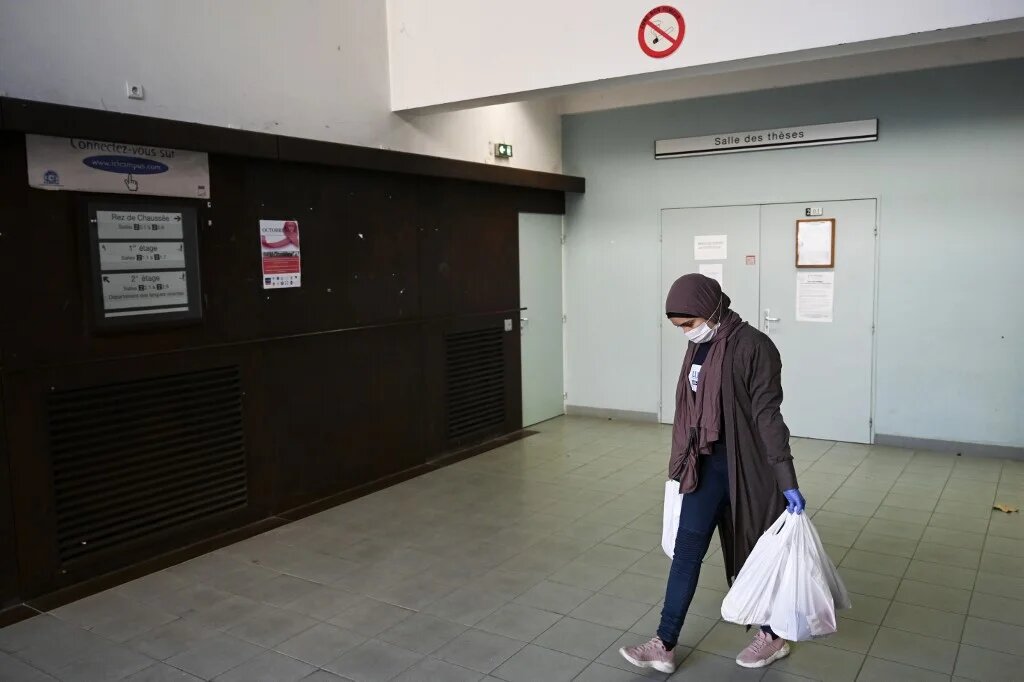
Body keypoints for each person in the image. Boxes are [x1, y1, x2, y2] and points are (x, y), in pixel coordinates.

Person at [620, 273, 805, 674]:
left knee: (753, 557)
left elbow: (767, 416)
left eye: (690, 324)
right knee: (687, 554)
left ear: (713, 308)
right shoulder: (700, 347)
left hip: (749, 470)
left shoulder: (755, 347)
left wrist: (786, 479)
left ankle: (772, 636)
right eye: (680, 328)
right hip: (704, 467)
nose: (688, 333)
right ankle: (664, 643)